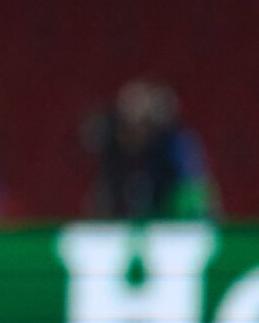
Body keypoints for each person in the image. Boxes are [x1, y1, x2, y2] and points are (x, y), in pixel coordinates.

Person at [82, 78, 218, 220]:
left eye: (141, 124)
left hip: (174, 224)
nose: (133, 131)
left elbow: (196, 199)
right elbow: (104, 201)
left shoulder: (177, 146)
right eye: (126, 122)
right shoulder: (114, 151)